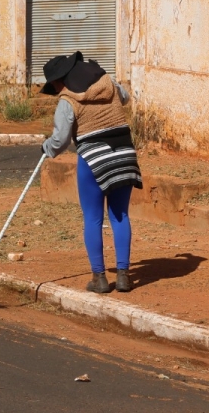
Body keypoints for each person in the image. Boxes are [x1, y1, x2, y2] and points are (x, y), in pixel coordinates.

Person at [40, 51, 142, 294]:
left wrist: (47, 147)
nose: (56, 90)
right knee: (120, 215)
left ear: (60, 80)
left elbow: (60, 140)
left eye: (55, 85)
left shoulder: (67, 101)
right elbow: (125, 97)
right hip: (124, 155)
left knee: (93, 218)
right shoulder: (108, 83)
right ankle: (124, 276)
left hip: (93, 160)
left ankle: (99, 278)